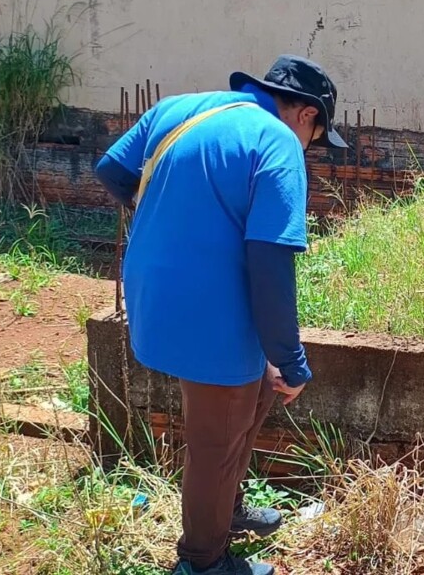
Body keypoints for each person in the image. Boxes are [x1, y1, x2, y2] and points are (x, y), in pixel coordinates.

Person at [94, 55, 349, 575]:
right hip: (214, 312)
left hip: (153, 293)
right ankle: (203, 562)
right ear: (305, 114)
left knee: (249, 400)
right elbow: (270, 263)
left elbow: (112, 169)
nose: (312, 148)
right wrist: (291, 359)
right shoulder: (277, 142)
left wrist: (173, 221)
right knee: (215, 440)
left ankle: (226, 511)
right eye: (318, 136)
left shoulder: (178, 109)